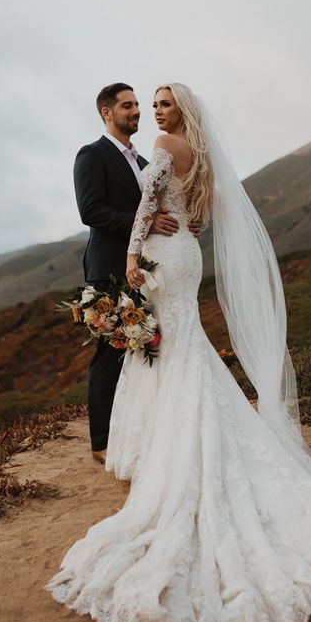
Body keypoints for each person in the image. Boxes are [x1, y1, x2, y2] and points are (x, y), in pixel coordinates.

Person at [47, 83, 311, 622]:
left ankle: (161, 445)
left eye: (160, 103)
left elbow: (150, 204)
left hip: (156, 255)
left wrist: (133, 252)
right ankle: (140, 439)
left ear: (182, 110)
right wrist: (180, 225)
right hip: (181, 254)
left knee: (166, 347)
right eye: (143, 104)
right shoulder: (179, 150)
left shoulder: (163, 148)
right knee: (168, 346)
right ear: (109, 112)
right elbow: (181, 209)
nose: (151, 111)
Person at [72, 82, 200, 463]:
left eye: (138, 105)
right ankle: (100, 443)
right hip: (109, 264)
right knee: (109, 351)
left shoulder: (146, 162)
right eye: (128, 106)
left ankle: (137, 434)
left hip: (146, 269)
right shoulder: (91, 155)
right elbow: (90, 211)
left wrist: (184, 221)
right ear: (106, 113)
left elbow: (165, 202)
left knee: (144, 348)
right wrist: (144, 224)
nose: (138, 111)